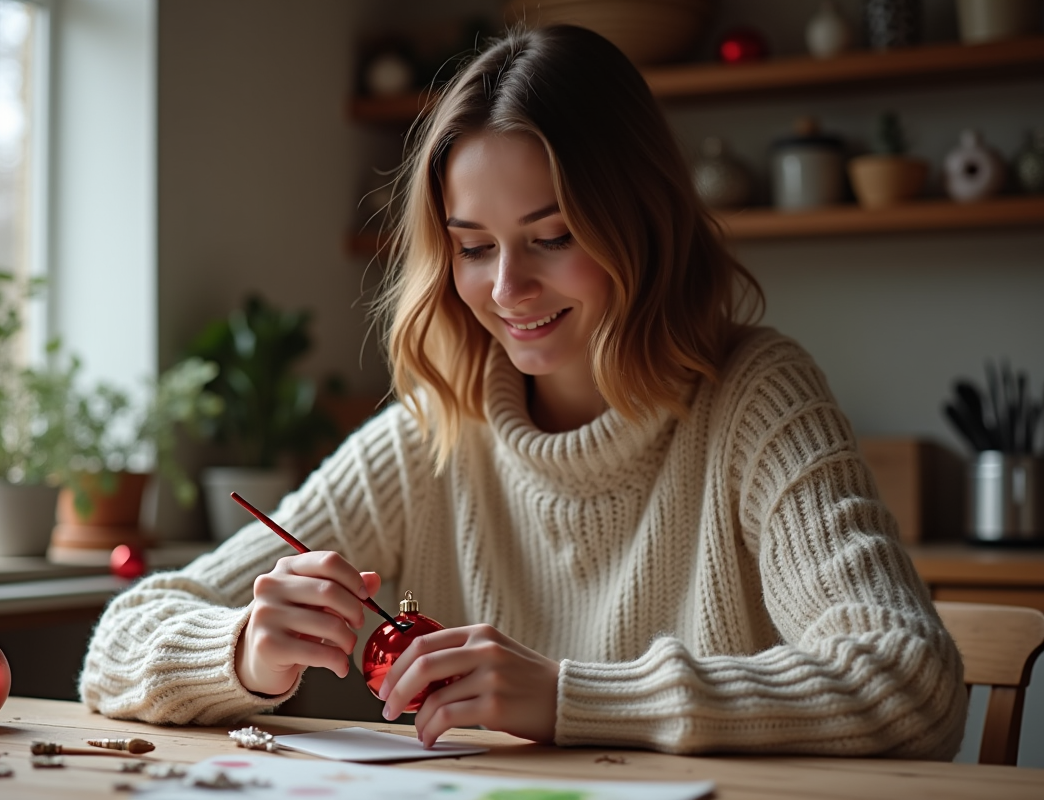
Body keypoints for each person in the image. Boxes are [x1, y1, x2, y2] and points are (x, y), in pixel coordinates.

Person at [79, 24, 966, 759]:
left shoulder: (754, 397)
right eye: (473, 246)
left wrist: (568, 696)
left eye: (553, 236)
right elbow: (117, 645)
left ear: (641, 225)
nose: (506, 290)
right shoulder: (435, 434)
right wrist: (240, 651)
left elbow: (909, 678)